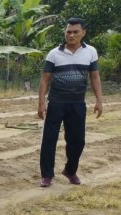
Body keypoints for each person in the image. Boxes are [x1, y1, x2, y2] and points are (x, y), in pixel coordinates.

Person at [38, 17, 103, 187]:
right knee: (49, 140)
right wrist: (41, 103)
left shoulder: (91, 52)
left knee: (77, 141)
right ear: (65, 33)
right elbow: (45, 80)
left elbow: (94, 77)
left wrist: (99, 101)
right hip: (56, 103)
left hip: (77, 103)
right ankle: (47, 175)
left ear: (83, 33)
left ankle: (70, 171)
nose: (71, 35)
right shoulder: (54, 54)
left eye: (75, 32)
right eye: (68, 32)